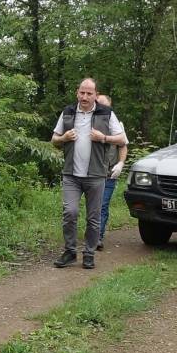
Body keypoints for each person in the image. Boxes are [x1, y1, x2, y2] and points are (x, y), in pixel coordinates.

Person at [50, 78, 127, 269]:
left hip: (96, 175)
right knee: (70, 212)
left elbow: (122, 139)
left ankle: (89, 254)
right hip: (71, 174)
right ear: (77, 93)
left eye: (89, 93)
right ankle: (70, 251)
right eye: (82, 93)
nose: (85, 97)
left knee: (94, 217)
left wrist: (103, 138)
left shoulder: (106, 113)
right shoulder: (68, 112)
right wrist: (63, 137)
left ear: (95, 95)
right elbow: (54, 139)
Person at [95, 94, 128, 251]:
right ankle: (92, 232)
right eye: (99, 104)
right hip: (90, 173)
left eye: (105, 106)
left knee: (102, 205)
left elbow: (123, 145)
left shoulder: (117, 125)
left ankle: (97, 237)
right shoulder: (88, 122)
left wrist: (120, 163)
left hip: (109, 173)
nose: (102, 108)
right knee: (92, 206)